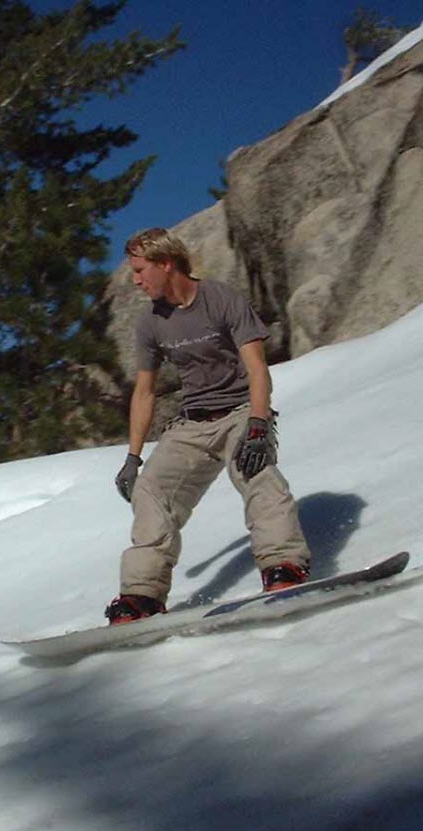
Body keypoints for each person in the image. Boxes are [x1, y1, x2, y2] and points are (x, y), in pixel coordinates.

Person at [107, 227, 311, 625]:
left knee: (256, 474)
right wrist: (133, 458)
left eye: (140, 270)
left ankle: (284, 565)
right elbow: (144, 392)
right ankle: (141, 595)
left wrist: (258, 423)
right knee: (151, 491)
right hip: (192, 423)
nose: (135, 280)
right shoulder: (150, 323)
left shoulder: (221, 299)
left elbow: (257, 368)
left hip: (240, 412)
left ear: (166, 264)